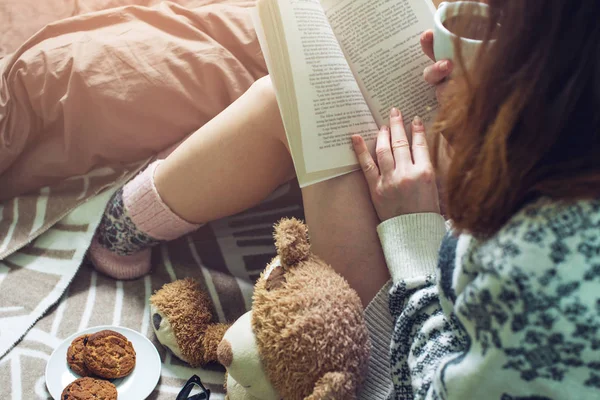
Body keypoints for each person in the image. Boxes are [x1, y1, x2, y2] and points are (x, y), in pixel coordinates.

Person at [89, 0, 599, 399]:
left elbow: (430, 386)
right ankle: (136, 215)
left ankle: (127, 221)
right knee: (313, 106)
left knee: (296, 111)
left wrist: (413, 233)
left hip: (402, 361)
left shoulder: (540, 265)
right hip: (467, 265)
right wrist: (494, 114)